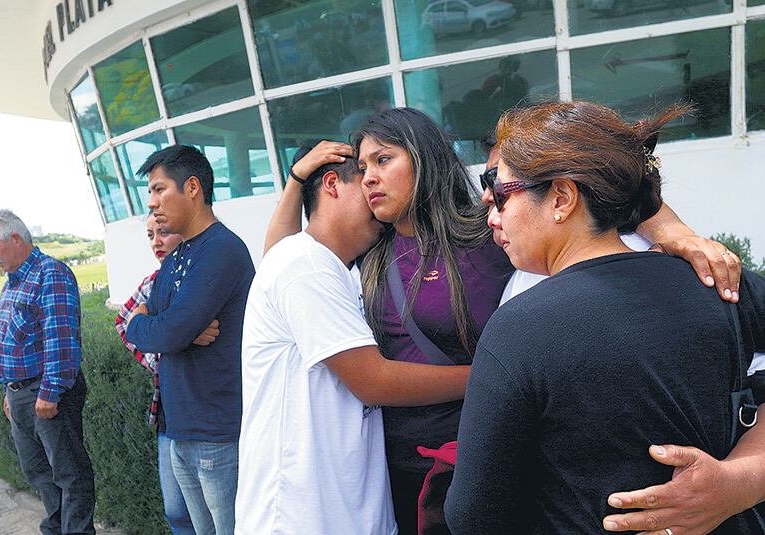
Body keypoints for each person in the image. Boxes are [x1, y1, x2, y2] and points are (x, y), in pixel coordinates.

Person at [264, 108, 743, 535]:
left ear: (424, 158)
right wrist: (294, 181)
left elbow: (593, 186)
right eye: (362, 167)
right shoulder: (369, 253)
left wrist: (676, 233)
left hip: (487, 456)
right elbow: (282, 267)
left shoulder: (488, 231)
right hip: (395, 464)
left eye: (384, 160)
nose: (369, 177)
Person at [444, 100, 765, 534]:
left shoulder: (518, 331)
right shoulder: (714, 282)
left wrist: (741, 480)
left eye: (499, 189)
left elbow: (472, 517)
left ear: (561, 198)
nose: (490, 206)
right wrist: (742, 479)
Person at [238, 148, 482, 535]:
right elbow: (373, 381)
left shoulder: (342, 271)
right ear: (332, 184)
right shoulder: (303, 265)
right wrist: (487, 377)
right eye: (364, 174)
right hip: (302, 517)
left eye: (383, 165)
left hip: (347, 510)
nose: (374, 187)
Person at [124, 145, 253, 535]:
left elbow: (164, 330)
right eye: (150, 193)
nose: (152, 203)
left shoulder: (222, 250)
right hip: (178, 428)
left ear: (192, 187)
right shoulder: (177, 257)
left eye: (159, 189)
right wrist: (168, 328)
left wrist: (146, 325)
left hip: (216, 431)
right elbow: (168, 328)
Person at [0, 209, 96, 535]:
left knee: (70, 475)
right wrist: (9, 391)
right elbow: (16, 342)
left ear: (15, 239)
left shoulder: (51, 274)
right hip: (20, 394)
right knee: (39, 473)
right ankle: (57, 529)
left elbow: (61, 341)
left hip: (45, 393)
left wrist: (51, 392)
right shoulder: (14, 281)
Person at [114, 213, 196, 535]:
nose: (156, 242)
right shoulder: (153, 282)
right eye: (150, 235)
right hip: (167, 413)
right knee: (176, 511)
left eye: (163, 231)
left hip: (208, 413)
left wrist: (159, 328)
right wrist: (162, 351)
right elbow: (124, 321)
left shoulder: (201, 278)